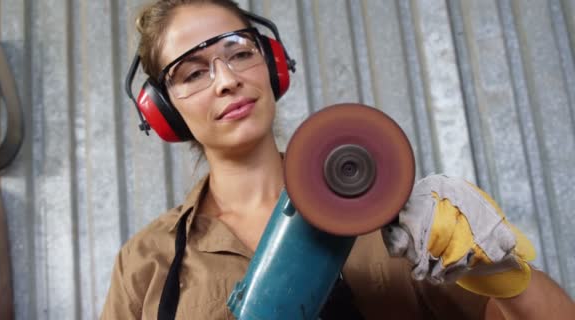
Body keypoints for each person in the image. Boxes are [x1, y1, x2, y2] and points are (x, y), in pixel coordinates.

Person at [101, 0, 575, 319]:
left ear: (274, 64)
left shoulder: (393, 212)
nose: (226, 80)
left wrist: (496, 269)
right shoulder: (147, 262)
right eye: (192, 73)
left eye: (239, 52)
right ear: (162, 111)